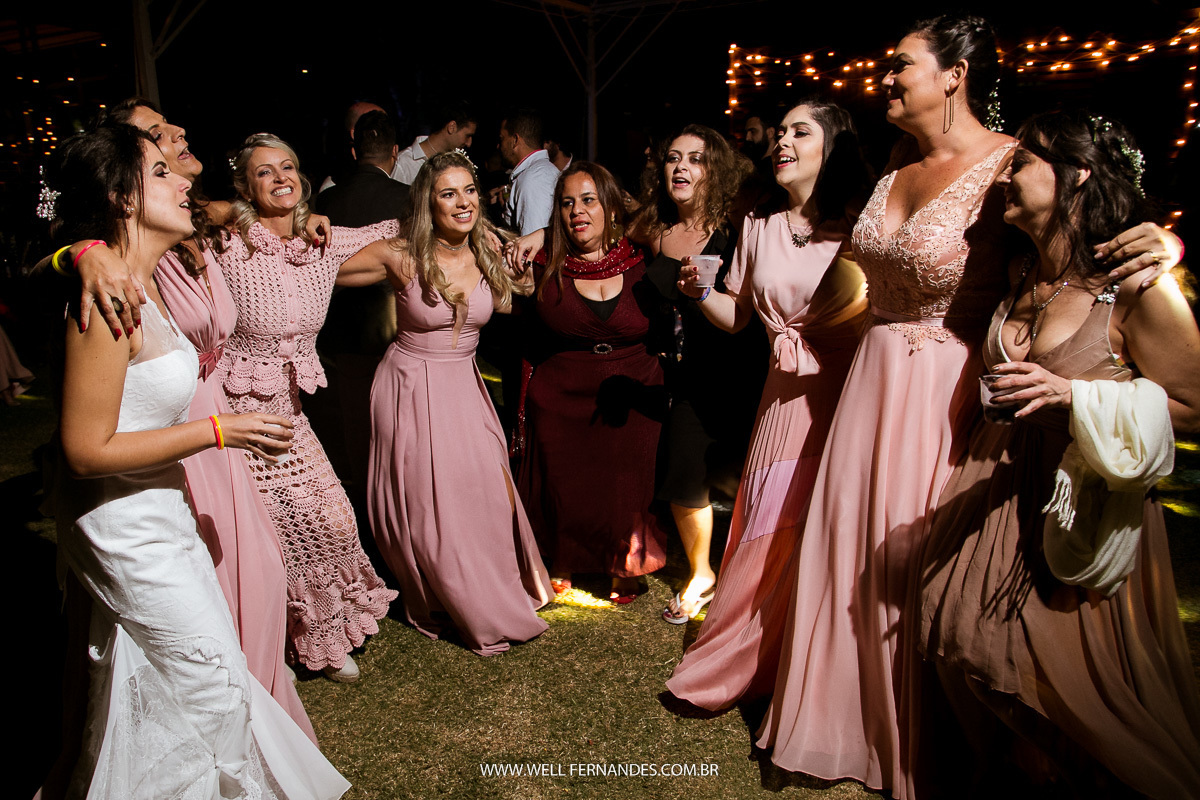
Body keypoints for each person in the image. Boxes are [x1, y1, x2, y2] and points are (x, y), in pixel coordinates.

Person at [756, 15, 1181, 800]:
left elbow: (1080, 238)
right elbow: (852, 282)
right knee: (851, 543)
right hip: (871, 384)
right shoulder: (895, 166)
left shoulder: (1007, 166)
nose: (885, 76)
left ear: (954, 74)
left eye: (901, 64)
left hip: (949, 386)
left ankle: (924, 736)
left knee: (919, 557)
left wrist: (1165, 246)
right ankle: (837, 717)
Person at [45, 123, 348, 799]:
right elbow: (84, 450)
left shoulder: (146, 284)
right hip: (125, 527)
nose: (185, 181)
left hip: (163, 510)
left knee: (157, 685)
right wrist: (218, 430)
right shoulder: (108, 300)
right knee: (210, 685)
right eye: (161, 172)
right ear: (122, 196)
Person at [918, 109, 1200, 796]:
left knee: (1070, 684)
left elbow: (1194, 406)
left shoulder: (1136, 284)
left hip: (1084, 498)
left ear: (1074, 176)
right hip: (999, 483)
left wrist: (1076, 398)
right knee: (958, 632)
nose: (1005, 174)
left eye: (1024, 161)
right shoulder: (1017, 268)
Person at [665, 102, 869, 705]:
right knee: (771, 525)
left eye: (799, 132)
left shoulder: (864, 224)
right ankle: (763, 652)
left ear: (831, 148)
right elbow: (736, 318)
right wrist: (700, 290)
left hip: (850, 391)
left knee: (836, 529)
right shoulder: (760, 225)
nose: (782, 140)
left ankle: (827, 667)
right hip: (783, 401)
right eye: (779, 132)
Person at [213, 132, 400, 683]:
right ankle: (271, 646)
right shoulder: (227, 241)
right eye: (265, 172)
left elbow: (395, 229)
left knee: (332, 520)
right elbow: (191, 212)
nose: (281, 178)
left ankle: (319, 632)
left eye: (289, 167)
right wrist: (230, 211)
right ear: (245, 185)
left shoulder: (321, 243)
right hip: (234, 409)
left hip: (290, 412)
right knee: (263, 533)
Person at [366, 151, 553, 655]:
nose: (464, 201)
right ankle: (451, 598)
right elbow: (318, 271)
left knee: (485, 490)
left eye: (469, 190)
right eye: (448, 193)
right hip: (410, 383)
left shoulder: (489, 246)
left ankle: (488, 587)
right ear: (429, 202)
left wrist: (523, 267)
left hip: (465, 384)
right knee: (428, 503)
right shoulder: (401, 254)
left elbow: (520, 290)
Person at [627, 124, 761, 624]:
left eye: (696, 159)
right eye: (673, 158)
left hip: (742, 368)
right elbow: (599, 222)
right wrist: (535, 233)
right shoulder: (654, 227)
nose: (681, 167)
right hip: (684, 375)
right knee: (686, 478)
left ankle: (752, 570)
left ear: (717, 171)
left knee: (749, 474)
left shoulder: (739, 225)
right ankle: (702, 571)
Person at [516, 161, 668, 602]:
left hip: (632, 389)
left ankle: (627, 560)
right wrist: (536, 240)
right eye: (566, 203)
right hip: (562, 392)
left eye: (588, 200)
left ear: (610, 206)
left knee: (627, 482)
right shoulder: (543, 262)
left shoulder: (643, 257)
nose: (576, 211)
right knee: (566, 483)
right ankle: (565, 557)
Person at [315, 108, 412, 514]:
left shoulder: (325, 201)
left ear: (356, 151)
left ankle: (366, 513)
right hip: (396, 336)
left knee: (357, 433)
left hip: (341, 338)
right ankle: (398, 509)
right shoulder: (407, 200)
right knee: (399, 434)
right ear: (393, 152)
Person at [499, 109, 559, 236]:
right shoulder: (539, 172)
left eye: (502, 138)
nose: (499, 146)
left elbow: (532, 247)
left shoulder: (533, 179)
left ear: (515, 140)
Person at [391, 101, 477, 185]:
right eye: (467, 135)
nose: (469, 143)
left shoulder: (455, 163)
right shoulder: (403, 164)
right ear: (452, 127)